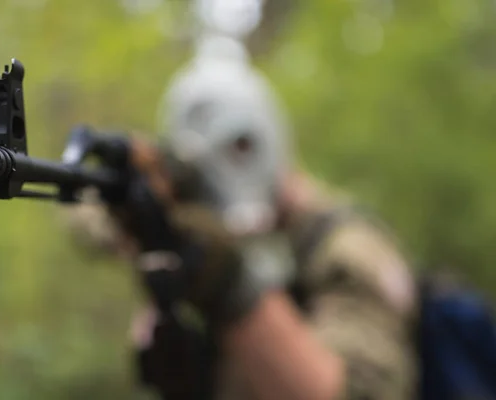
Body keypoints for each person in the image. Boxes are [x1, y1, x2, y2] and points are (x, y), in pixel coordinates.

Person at [62, 32, 417, 400]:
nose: (226, 172)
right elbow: (86, 215)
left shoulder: (348, 250)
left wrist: (226, 282)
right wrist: (135, 216)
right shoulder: (208, 225)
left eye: (241, 147)